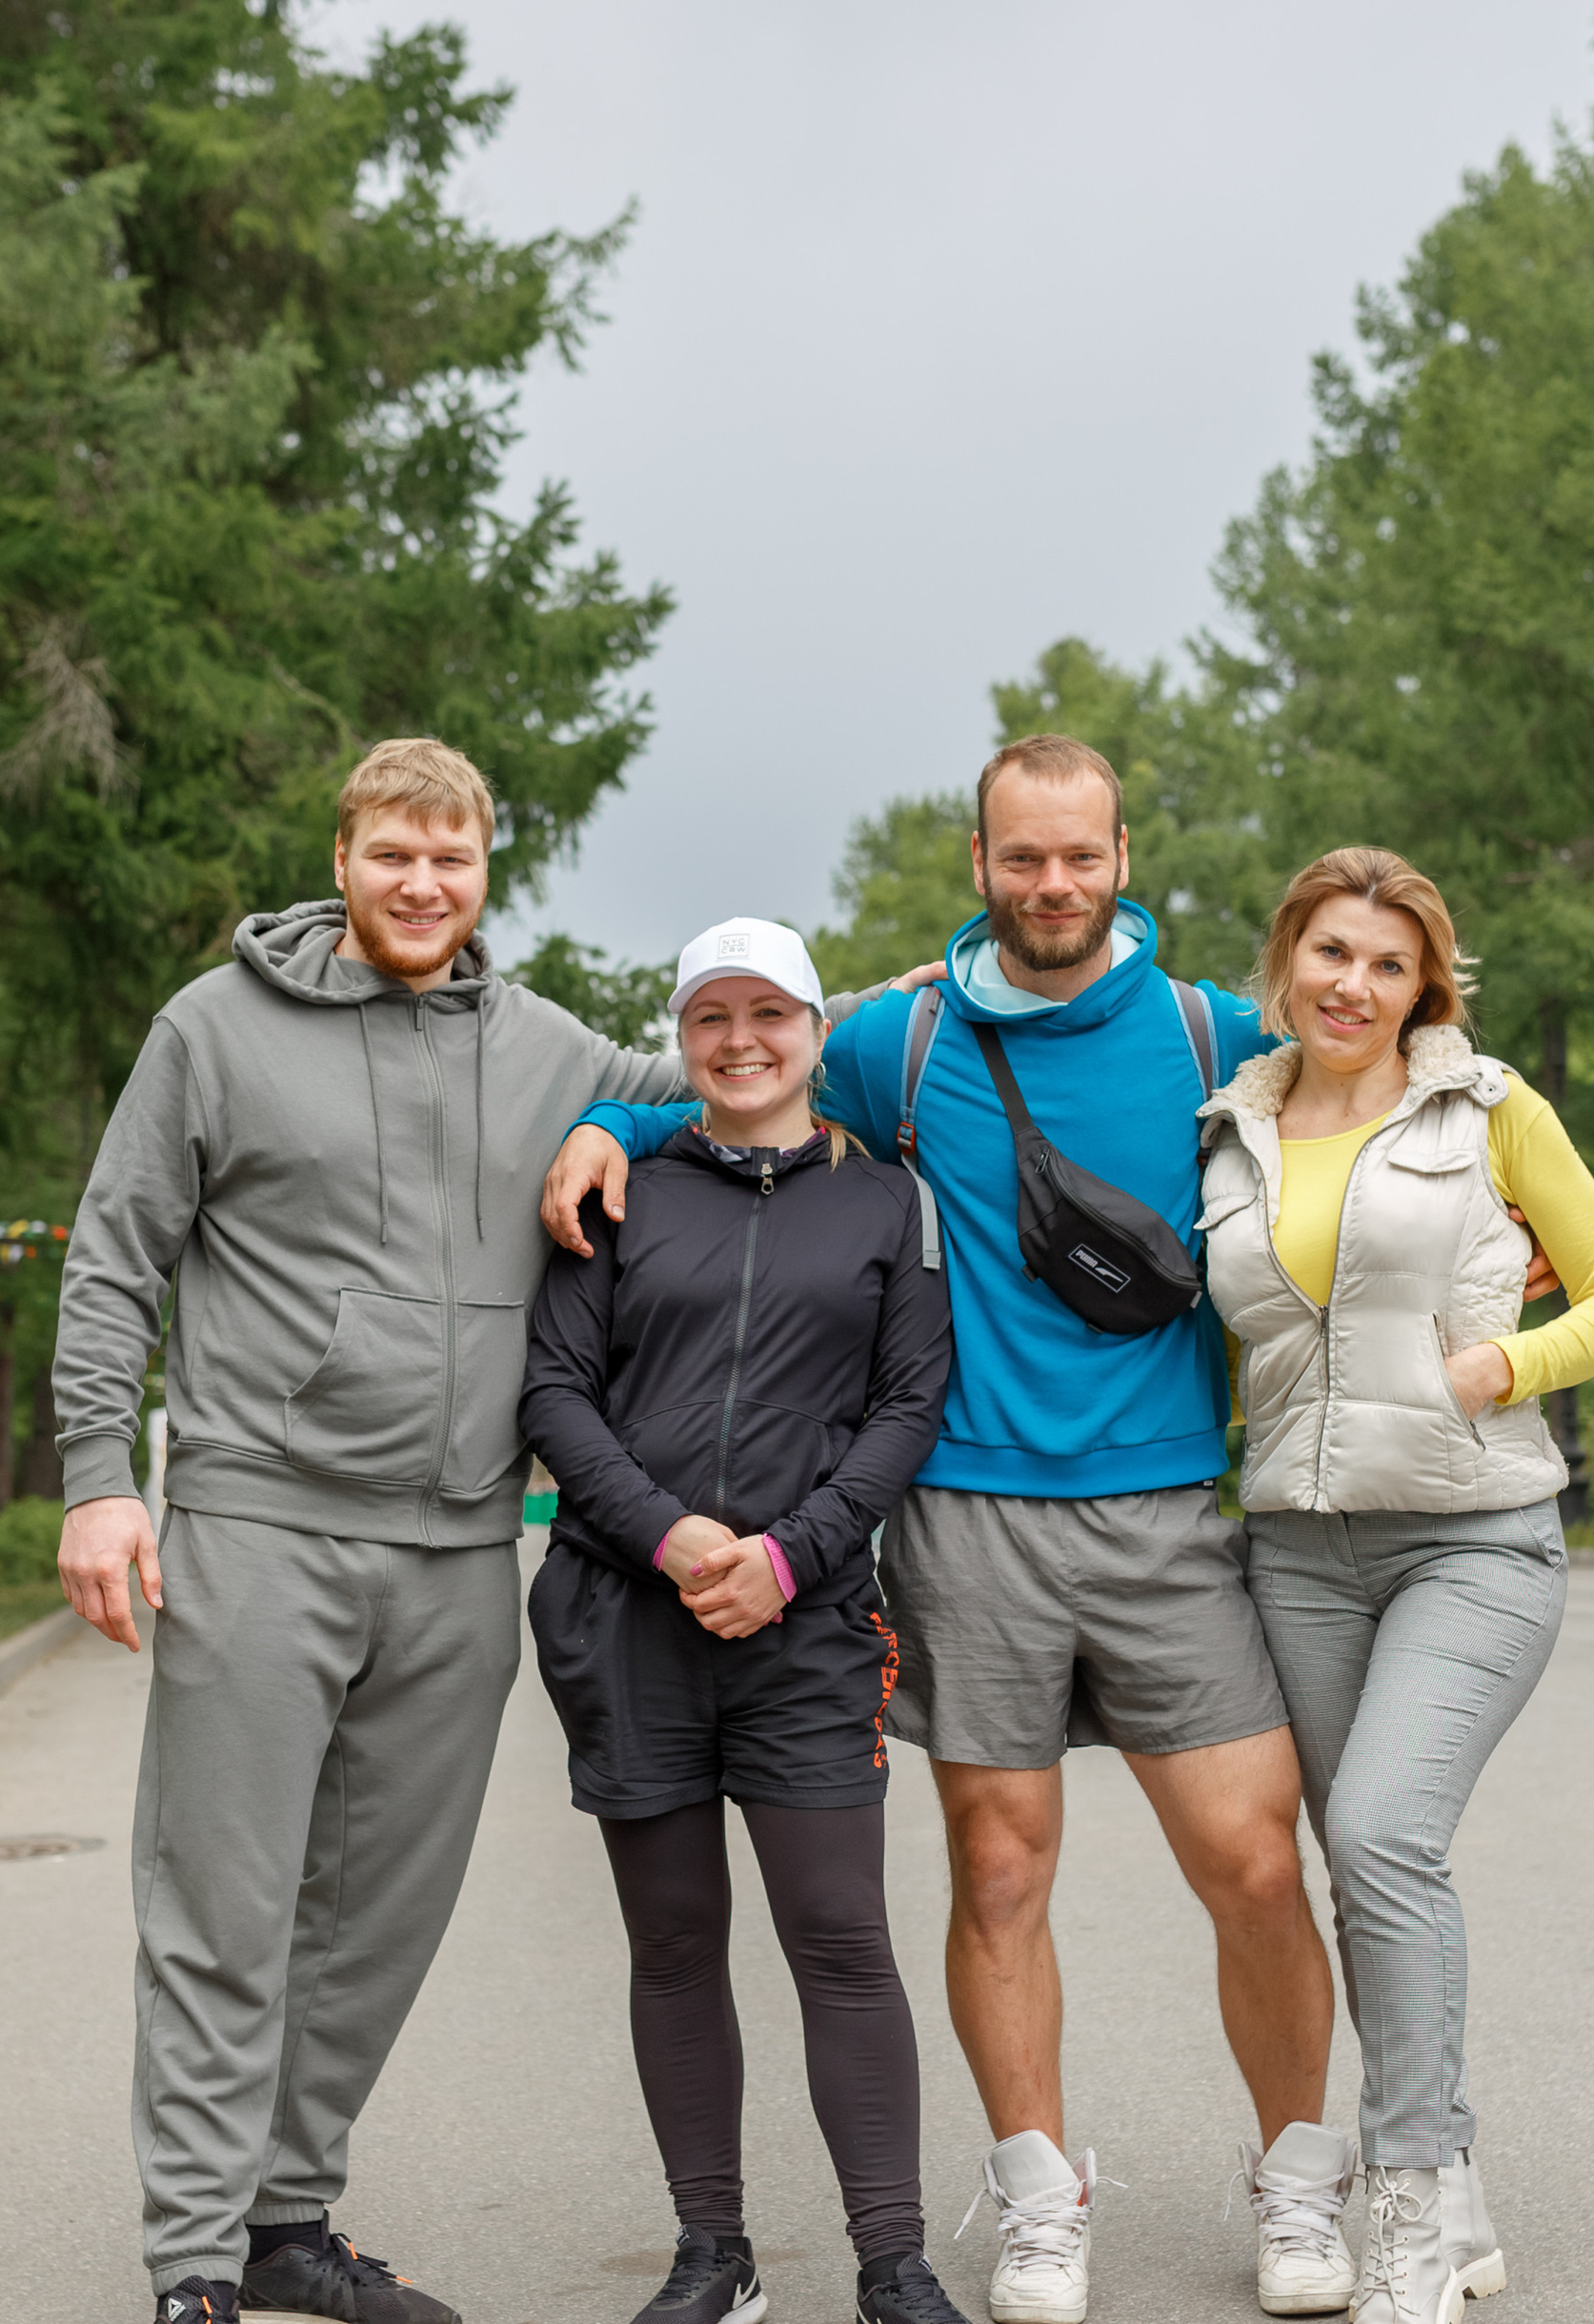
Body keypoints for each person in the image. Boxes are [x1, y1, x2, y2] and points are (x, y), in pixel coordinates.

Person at [548, 736, 1365, 2324]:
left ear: (1125, 856)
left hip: (1165, 1510)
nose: (1051, 886)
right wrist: (604, 1124)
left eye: (1079, 855)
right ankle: (1043, 2198)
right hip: (968, 1515)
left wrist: (1512, 1227)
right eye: (1020, 859)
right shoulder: (902, 1038)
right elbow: (738, 1082)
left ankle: (1297, 2180)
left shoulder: (1221, 1029)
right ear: (977, 866)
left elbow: (1387, 1092)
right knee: (1000, 1870)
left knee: (1257, 1863)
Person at [50, 738, 690, 2324]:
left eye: (453, 859)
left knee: (381, 1912)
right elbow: (114, 1253)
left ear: (488, 873)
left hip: (465, 1547)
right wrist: (94, 1476)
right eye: (394, 854)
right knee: (225, 1897)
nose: (423, 885)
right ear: (342, 859)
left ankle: (287, 2215)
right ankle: (195, 2257)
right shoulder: (213, 1030)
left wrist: (649, 1123)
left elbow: (739, 1079)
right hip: (265, 1522)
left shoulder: (545, 1048)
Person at [1199, 845, 1594, 2324]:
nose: (1357, 984)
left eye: (1390, 964)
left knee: (1387, 1834)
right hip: (1298, 1550)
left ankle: (1407, 2191)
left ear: (1424, 987)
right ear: (1288, 962)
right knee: (1357, 1864)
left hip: (1473, 1536)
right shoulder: (1230, 1133)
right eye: (1334, 953)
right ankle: (1447, 2186)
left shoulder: (1489, 1109)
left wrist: (1501, 1364)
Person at [520, 917, 965, 2324]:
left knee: (839, 1934)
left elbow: (908, 1405)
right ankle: (713, 2253)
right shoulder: (618, 1189)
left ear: (816, 1032)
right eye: (712, 1017)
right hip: (623, 1613)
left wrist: (790, 1555)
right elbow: (554, 1392)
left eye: (770, 1013)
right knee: (672, 1938)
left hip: (812, 1620)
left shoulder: (889, 1200)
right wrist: (668, 1535)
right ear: (684, 1037)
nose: (742, 1040)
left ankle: (891, 2264)